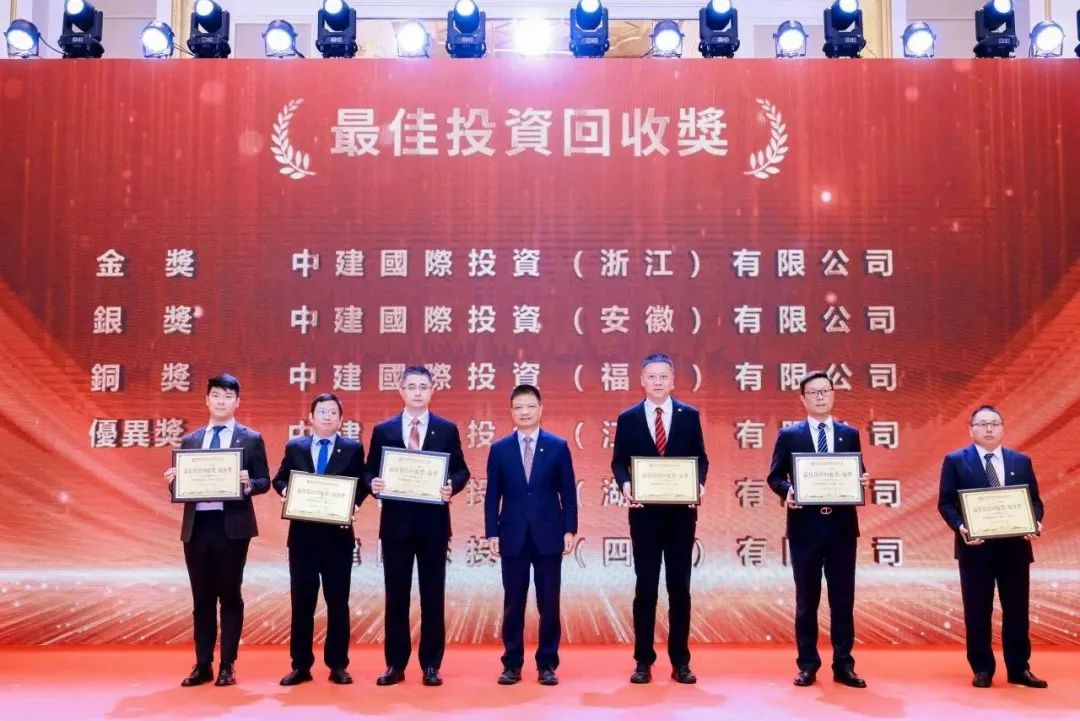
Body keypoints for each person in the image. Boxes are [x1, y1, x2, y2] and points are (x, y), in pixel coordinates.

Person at [365, 365, 470, 686]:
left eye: (423, 386)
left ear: (432, 390)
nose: (417, 392)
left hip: (433, 526)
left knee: (432, 595)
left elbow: (461, 471)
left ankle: (431, 664)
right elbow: (369, 471)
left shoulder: (446, 429)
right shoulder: (383, 430)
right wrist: (373, 484)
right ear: (401, 390)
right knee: (396, 596)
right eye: (411, 386)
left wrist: (451, 485)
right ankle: (395, 665)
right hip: (395, 526)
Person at [164, 373, 270, 687]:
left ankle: (227, 664)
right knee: (202, 598)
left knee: (230, 595)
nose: (221, 401)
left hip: (232, 527)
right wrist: (173, 482)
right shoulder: (191, 440)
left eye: (228, 396)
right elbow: (182, 487)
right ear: (206, 400)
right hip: (197, 527)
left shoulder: (251, 439)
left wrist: (248, 484)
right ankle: (202, 664)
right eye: (216, 395)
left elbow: (264, 481)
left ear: (237, 402)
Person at [766, 370, 869, 688]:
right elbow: (775, 477)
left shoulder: (849, 434)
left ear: (833, 394)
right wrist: (788, 491)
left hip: (841, 529)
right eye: (813, 392)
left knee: (843, 600)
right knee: (806, 600)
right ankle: (808, 664)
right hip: (805, 529)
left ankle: (844, 664)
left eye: (825, 390)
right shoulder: (789, 435)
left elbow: (858, 472)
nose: (820, 396)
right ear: (803, 399)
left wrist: (862, 480)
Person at [610, 353, 708, 685]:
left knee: (680, 589)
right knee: (646, 589)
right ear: (642, 380)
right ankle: (643, 661)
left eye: (663, 376)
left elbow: (701, 459)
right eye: (651, 376)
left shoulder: (689, 415)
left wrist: (698, 484)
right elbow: (618, 462)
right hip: (645, 516)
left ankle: (681, 661)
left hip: (681, 516)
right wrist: (626, 485)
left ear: (673, 380)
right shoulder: (629, 418)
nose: (657, 382)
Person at [937, 405, 1047, 688]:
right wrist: (960, 526)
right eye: (982, 424)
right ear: (970, 429)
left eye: (995, 423)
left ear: (1002, 428)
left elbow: (1035, 501)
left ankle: (1019, 668)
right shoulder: (955, 460)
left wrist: (1034, 521)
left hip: (1015, 549)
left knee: (1017, 611)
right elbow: (946, 502)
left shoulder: (1021, 461)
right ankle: (982, 668)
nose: (989, 428)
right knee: (977, 611)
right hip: (975, 549)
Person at [485, 384, 578, 686]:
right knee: (513, 602)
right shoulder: (500, 449)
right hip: (512, 534)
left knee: (548, 602)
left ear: (540, 409)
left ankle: (547, 664)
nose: (524, 412)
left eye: (530, 406)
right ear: (511, 411)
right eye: (518, 407)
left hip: (549, 534)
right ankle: (512, 663)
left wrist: (570, 528)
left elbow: (568, 492)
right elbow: (492, 495)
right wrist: (491, 532)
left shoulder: (557, 446)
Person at [273, 392, 367, 686]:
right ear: (311, 417)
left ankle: (337, 665)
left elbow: (363, 483)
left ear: (341, 419)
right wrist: (286, 492)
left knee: (338, 602)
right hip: (302, 538)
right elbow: (280, 478)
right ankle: (301, 665)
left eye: (333, 412)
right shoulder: (296, 446)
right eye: (322, 411)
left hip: (338, 538)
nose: (327, 416)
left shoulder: (352, 448)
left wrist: (354, 503)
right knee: (302, 602)